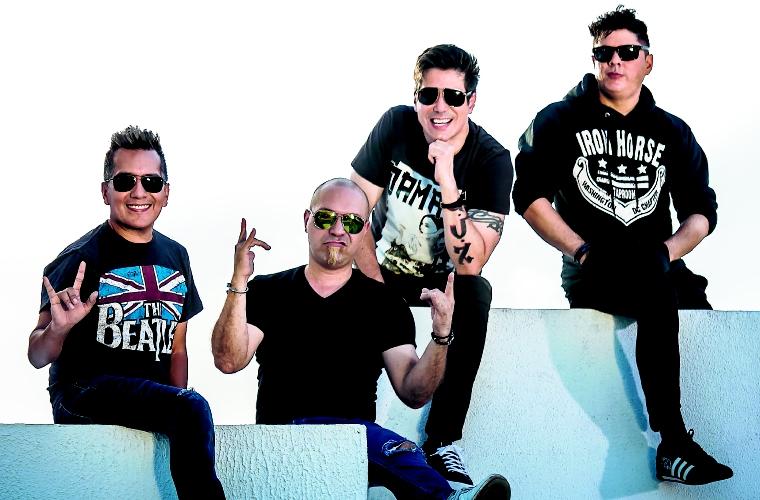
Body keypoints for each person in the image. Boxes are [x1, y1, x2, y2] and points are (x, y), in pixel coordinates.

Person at [512, 6, 732, 486]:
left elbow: (701, 213)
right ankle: (672, 443)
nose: (615, 61)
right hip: (595, 266)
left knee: (693, 303)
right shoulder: (559, 119)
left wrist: (666, 252)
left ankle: (690, 435)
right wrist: (581, 250)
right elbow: (528, 197)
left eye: (627, 52)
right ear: (593, 60)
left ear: (647, 61)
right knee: (656, 284)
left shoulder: (673, 131)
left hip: (656, 264)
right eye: (604, 53)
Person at [211, 178, 510, 499]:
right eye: (326, 217)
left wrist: (440, 335)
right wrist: (238, 281)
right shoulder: (268, 291)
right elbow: (228, 360)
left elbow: (415, 393)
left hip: (355, 448)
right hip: (284, 440)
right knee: (389, 447)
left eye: (352, 222)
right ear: (307, 220)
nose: (338, 229)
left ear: (365, 229)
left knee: (397, 451)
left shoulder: (385, 304)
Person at [28, 126, 225, 499]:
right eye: (124, 181)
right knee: (192, 408)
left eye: (151, 181)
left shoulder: (176, 255)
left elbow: (177, 348)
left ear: (166, 192)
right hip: (83, 390)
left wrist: (175, 405)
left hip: (145, 394)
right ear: (106, 191)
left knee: (188, 407)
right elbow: (37, 355)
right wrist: (57, 329)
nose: (138, 192)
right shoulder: (80, 258)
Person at [350, 44, 513, 485]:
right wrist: (376, 287)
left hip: (444, 286)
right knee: (335, 281)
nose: (439, 107)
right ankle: (354, 438)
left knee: (476, 291)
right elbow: (353, 213)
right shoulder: (396, 125)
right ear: (416, 97)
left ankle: (442, 441)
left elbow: (471, 262)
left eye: (453, 96)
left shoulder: (491, 160)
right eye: (429, 95)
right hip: (380, 273)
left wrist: (446, 178)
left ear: (471, 102)